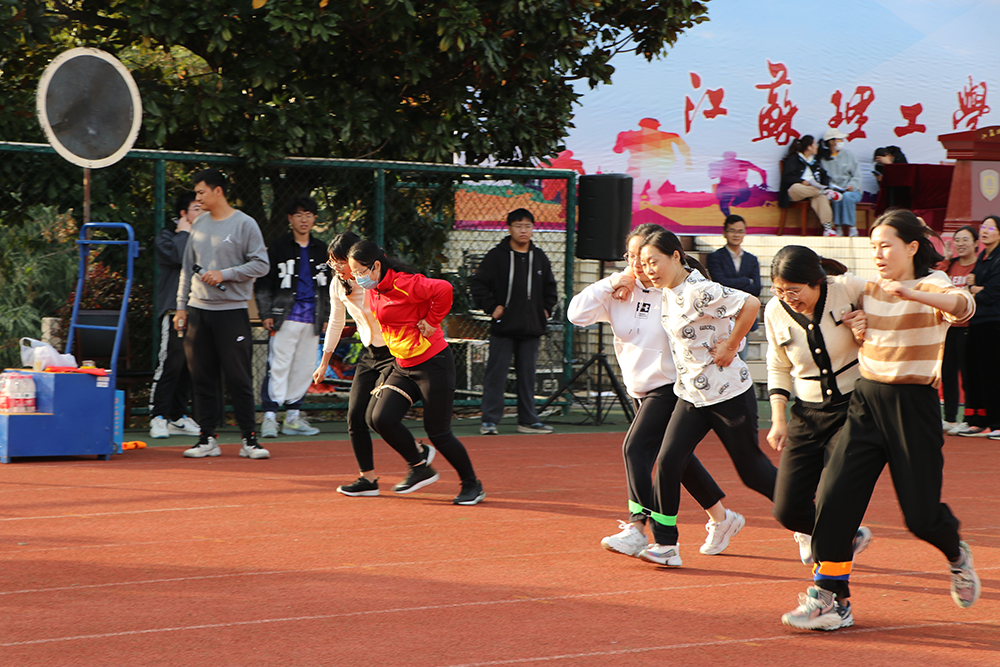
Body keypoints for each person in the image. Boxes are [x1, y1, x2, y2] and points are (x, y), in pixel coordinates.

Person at [782, 209, 979, 632]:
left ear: (911, 247)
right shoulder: (867, 286)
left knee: (921, 517)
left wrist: (912, 294)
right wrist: (855, 322)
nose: (877, 254)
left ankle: (956, 555)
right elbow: (828, 290)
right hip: (866, 402)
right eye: (873, 247)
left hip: (913, 408)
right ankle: (830, 597)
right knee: (834, 498)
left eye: (885, 245)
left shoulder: (934, 283)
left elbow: (964, 307)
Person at [569, 223, 745, 560]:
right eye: (632, 256)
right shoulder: (621, 291)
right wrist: (614, 281)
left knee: (635, 448)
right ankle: (722, 518)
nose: (639, 264)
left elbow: (729, 315)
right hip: (639, 390)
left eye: (646, 257)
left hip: (671, 387)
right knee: (676, 459)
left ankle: (639, 529)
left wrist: (728, 343)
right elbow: (577, 315)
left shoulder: (676, 289)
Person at [634, 229, 776, 566]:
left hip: (728, 393)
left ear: (676, 256)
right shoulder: (668, 290)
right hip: (691, 395)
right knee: (669, 460)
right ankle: (666, 545)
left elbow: (751, 304)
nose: (648, 269)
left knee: (753, 472)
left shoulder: (699, 291)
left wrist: (730, 345)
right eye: (643, 263)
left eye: (653, 261)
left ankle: (813, 519)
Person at [347, 240, 485, 505]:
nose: (357, 277)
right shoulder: (375, 289)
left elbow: (444, 289)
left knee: (439, 433)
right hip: (403, 365)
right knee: (379, 418)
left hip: (433, 363)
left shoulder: (405, 283)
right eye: (354, 273)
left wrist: (432, 321)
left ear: (376, 266)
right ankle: (420, 467)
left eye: (360, 272)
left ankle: (472, 484)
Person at [763, 246, 872, 566]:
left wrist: (869, 323)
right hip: (806, 414)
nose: (787, 298)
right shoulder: (774, 310)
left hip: (853, 409)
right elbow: (778, 365)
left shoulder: (848, 289)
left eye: (793, 291)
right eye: (779, 290)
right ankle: (844, 535)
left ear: (817, 281)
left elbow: (889, 309)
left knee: (832, 496)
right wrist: (778, 419)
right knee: (787, 510)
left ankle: (831, 579)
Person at [313, 232, 434, 497]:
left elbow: (416, 299)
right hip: (370, 354)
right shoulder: (338, 284)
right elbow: (336, 321)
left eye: (340, 262)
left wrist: (428, 323)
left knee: (377, 417)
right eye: (332, 262)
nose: (336, 267)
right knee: (355, 416)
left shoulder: (376, 281)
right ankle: (367, 479)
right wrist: (324, 362)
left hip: (394, 353)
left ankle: (418, 460)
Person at [175, 168, 271, 459]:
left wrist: (224, 274)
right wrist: (181, 307)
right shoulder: (199, 224)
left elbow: (261, 264)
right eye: (196, 193)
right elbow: (186, 268)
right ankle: (207, 438)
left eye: (201, 192)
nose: (197, 198)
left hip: (232, 313)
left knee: (238, 378)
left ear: (218, 191)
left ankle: (249, 439)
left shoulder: (245, 224)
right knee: (202, 377)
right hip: (198, 311)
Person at [470, 208, 559, 436]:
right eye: (518, 226)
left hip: (531, 328)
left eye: (528, 226)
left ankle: (528, 420)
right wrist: (492, 307)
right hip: (504, 328)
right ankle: (489, 421)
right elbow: (478, 284)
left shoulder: (539, 257)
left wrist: (545, 310)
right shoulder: (496, 256)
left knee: (527, 377)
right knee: (496, 375)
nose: (523, 230)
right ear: (509, 228)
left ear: (533, 229)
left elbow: (550, 288)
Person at [255, 196, 330, 438]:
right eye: (298, 215)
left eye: (308, 215)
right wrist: (266, 313)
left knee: (304, 368)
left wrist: (327, 316)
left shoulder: (322, 250)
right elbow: (264, 282)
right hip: (284, 317)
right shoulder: (279, 247)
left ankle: (293, 418)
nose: (304, 220)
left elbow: (330, 287)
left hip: (313, 319)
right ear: (290, 218)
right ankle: (269, 418)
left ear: (315, 218)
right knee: (278, 366)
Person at [148, 191, 201, 439]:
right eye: (196, 209)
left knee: (191, 364)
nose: (202, 213)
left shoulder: (207, 236)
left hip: (200, 308)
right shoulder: (167, 237)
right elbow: (180, 257)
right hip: (174, 310)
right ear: (183, 213)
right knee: (171, 362)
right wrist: (184, 233)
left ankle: (178, 417)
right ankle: (158, 416)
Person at [958, 215, 1000, 438]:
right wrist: (976, 288)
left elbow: (991, 294)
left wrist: (975, 288)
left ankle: (997, 421)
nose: (984, 231)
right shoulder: (983, 256)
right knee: (973, 373)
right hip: (976, 322)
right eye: (983, 227)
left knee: (993, 374)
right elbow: (975, 287)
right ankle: (977, 420)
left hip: (993, 323)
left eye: (990, 228)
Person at [705, 214, 762, 360]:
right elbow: (720, 284)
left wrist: (734, 284)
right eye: (732, 230)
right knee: (722, 357)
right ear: (724, 233)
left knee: (741, 360)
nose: (736, 234)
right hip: (724, 314)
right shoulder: (715, 257)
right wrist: (746, 281)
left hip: (745, 315)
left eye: (740, 231)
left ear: (745, 233)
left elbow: (757, 288)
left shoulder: (752, 259)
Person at [941, 226, 978, 434]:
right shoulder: (950, 265)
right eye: (957, 240)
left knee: (968, 374)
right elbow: (934, 277)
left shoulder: (979, 266)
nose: (960, 244)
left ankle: (970, 418)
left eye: (965, 240)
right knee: (947, 374)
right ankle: (950, 418)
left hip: (969, 328)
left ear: (975, 243)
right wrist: (946, 259)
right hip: (948, 327)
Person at [779, 134, 841, 237]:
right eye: (815, 145)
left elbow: (825, 176)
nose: (816, 147)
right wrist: (801, 181)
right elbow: (787, 177)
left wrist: (824, 185)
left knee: (821, 197)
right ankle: (825, 192)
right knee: (796, 187)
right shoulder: (794, 159)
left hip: (813, 191)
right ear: (809, 147)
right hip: (797, 191)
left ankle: (828, 229)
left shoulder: (814, 162)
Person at [818, 128, 863, 237]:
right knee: (837, 196)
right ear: (831, 142)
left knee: (846, 196)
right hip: (834, 189)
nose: (842, 141)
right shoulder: (823, 159)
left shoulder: (848, 155)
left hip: (852, 191)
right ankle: (838, 227)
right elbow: (822, 178)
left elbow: (857, 175)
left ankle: (852, 228)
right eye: (839, 139)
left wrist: (852, 185)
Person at [708, 151, 768, 217]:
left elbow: (712, 176)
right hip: (731, 187)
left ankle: (731, 211)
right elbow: (762, 171)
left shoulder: (742, 163)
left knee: (724, 205)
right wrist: (764, 182)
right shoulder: (743, 163)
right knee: (726, 204)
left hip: (728, 187)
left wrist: (764, 182)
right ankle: (731, 214)